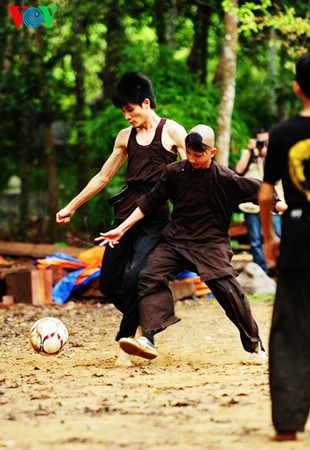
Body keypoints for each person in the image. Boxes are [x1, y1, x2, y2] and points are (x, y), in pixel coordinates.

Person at [96, 124, 286, 363]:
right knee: (149, 274)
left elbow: (258, 189)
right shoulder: (174, 172)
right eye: (190, 153)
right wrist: (121, 229)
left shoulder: (224, 178)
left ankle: (256, 347)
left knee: (229, 291)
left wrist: (281, 206)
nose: (193, 159)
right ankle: (148, 335)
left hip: (210, 244)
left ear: (212, 152)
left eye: (199, 154)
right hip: (175, 242)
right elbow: (149, 202)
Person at [56, 71, 187, 365]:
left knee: (135, 276)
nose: (126, 116)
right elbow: (103, 177)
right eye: (123, 111)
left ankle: (124, 346)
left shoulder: (173, 132)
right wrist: (71, 206)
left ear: (145, 103)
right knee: (109, 282)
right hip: (125, 213)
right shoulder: (125, 138)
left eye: (129, 109)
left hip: (155, 218)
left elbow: (194, 171)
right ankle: (147, 320)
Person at [259, 53, 310, 442]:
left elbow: (264, 194)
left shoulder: (282, 132)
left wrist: (270, 237)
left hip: (297, 237)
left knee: (291, 332)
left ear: (297, 87)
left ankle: (289, 423)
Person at [235, 128, 283, 274]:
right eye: (260, 141)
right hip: (251, 206)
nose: (263, 144)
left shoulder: (275, 154)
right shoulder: (248, 154)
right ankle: (262, 272)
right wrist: (250, 151)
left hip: (273, 204)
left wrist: (267, 154)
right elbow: (238, 170)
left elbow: (282, 172)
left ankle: (279, 270)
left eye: (266, 141)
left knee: (278, 236)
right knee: (255, 239)